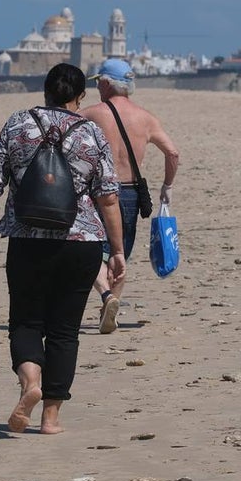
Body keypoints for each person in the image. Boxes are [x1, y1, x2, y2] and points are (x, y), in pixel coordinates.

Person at [0, 63, 125, 435]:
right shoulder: (92, 132)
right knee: (64, 331)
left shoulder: (17, 124)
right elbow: (108, 198)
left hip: (27, 239)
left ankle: (30, 383)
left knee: (26, 320)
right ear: (81, 97)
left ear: (45, 91)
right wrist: (118, 249)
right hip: (82, 244)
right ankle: (51, 419)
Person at [80, 58, 180, 334]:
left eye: (99, 82)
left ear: (106, 83)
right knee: (120, 252)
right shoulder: (145, 117)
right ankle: (110, 305)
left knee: (90, 251)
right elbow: (172, 153)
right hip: (130, 193)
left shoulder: (90, 114)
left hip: (97, 190)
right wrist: (167, 186)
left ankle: (106, 297)